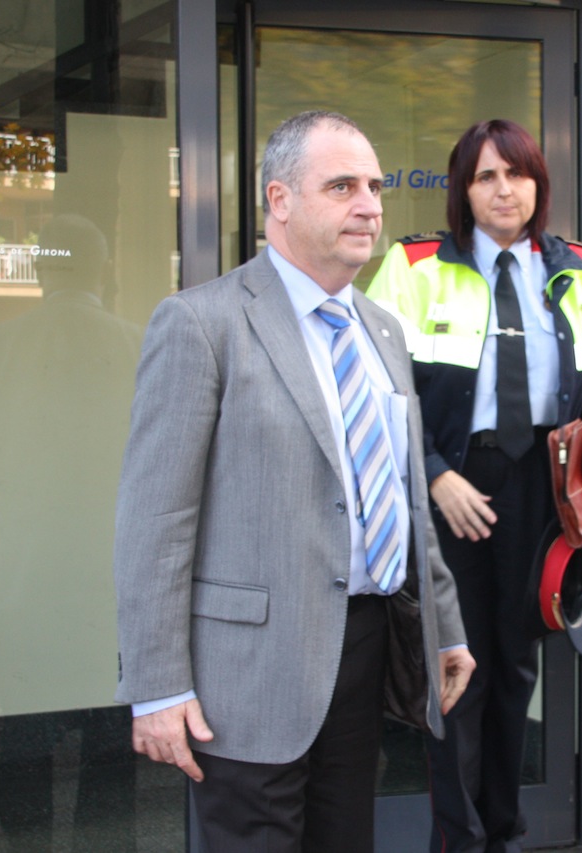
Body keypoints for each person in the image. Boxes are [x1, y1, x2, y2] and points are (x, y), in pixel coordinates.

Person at [113, 110, 475, 852]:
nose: (369, 205)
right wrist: (157, 685)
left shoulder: (381, 330)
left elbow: (403, 498)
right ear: (279, 200)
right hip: (245, 677)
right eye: (341, 186)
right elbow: (155, 520)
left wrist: (445, 624)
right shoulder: (201, 324)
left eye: (373, 186)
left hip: (364, 651)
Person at [367, 118, 582, 853]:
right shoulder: (414, 264)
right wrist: (436, 477)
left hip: (543, 492)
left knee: (517, 668)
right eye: (485, 175)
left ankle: (503, 835)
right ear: (462, 187)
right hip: (454, 486)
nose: (502, 189)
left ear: (537, 184)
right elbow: (378, 393)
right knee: (459, 670)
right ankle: (458, 840)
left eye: (515, 174)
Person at [0, 213, 143, 850]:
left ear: (36, 272)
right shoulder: (135, 341)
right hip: (111, 577)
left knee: (26, 738)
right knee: (111, 741)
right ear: (102, 269)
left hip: (22, 576)